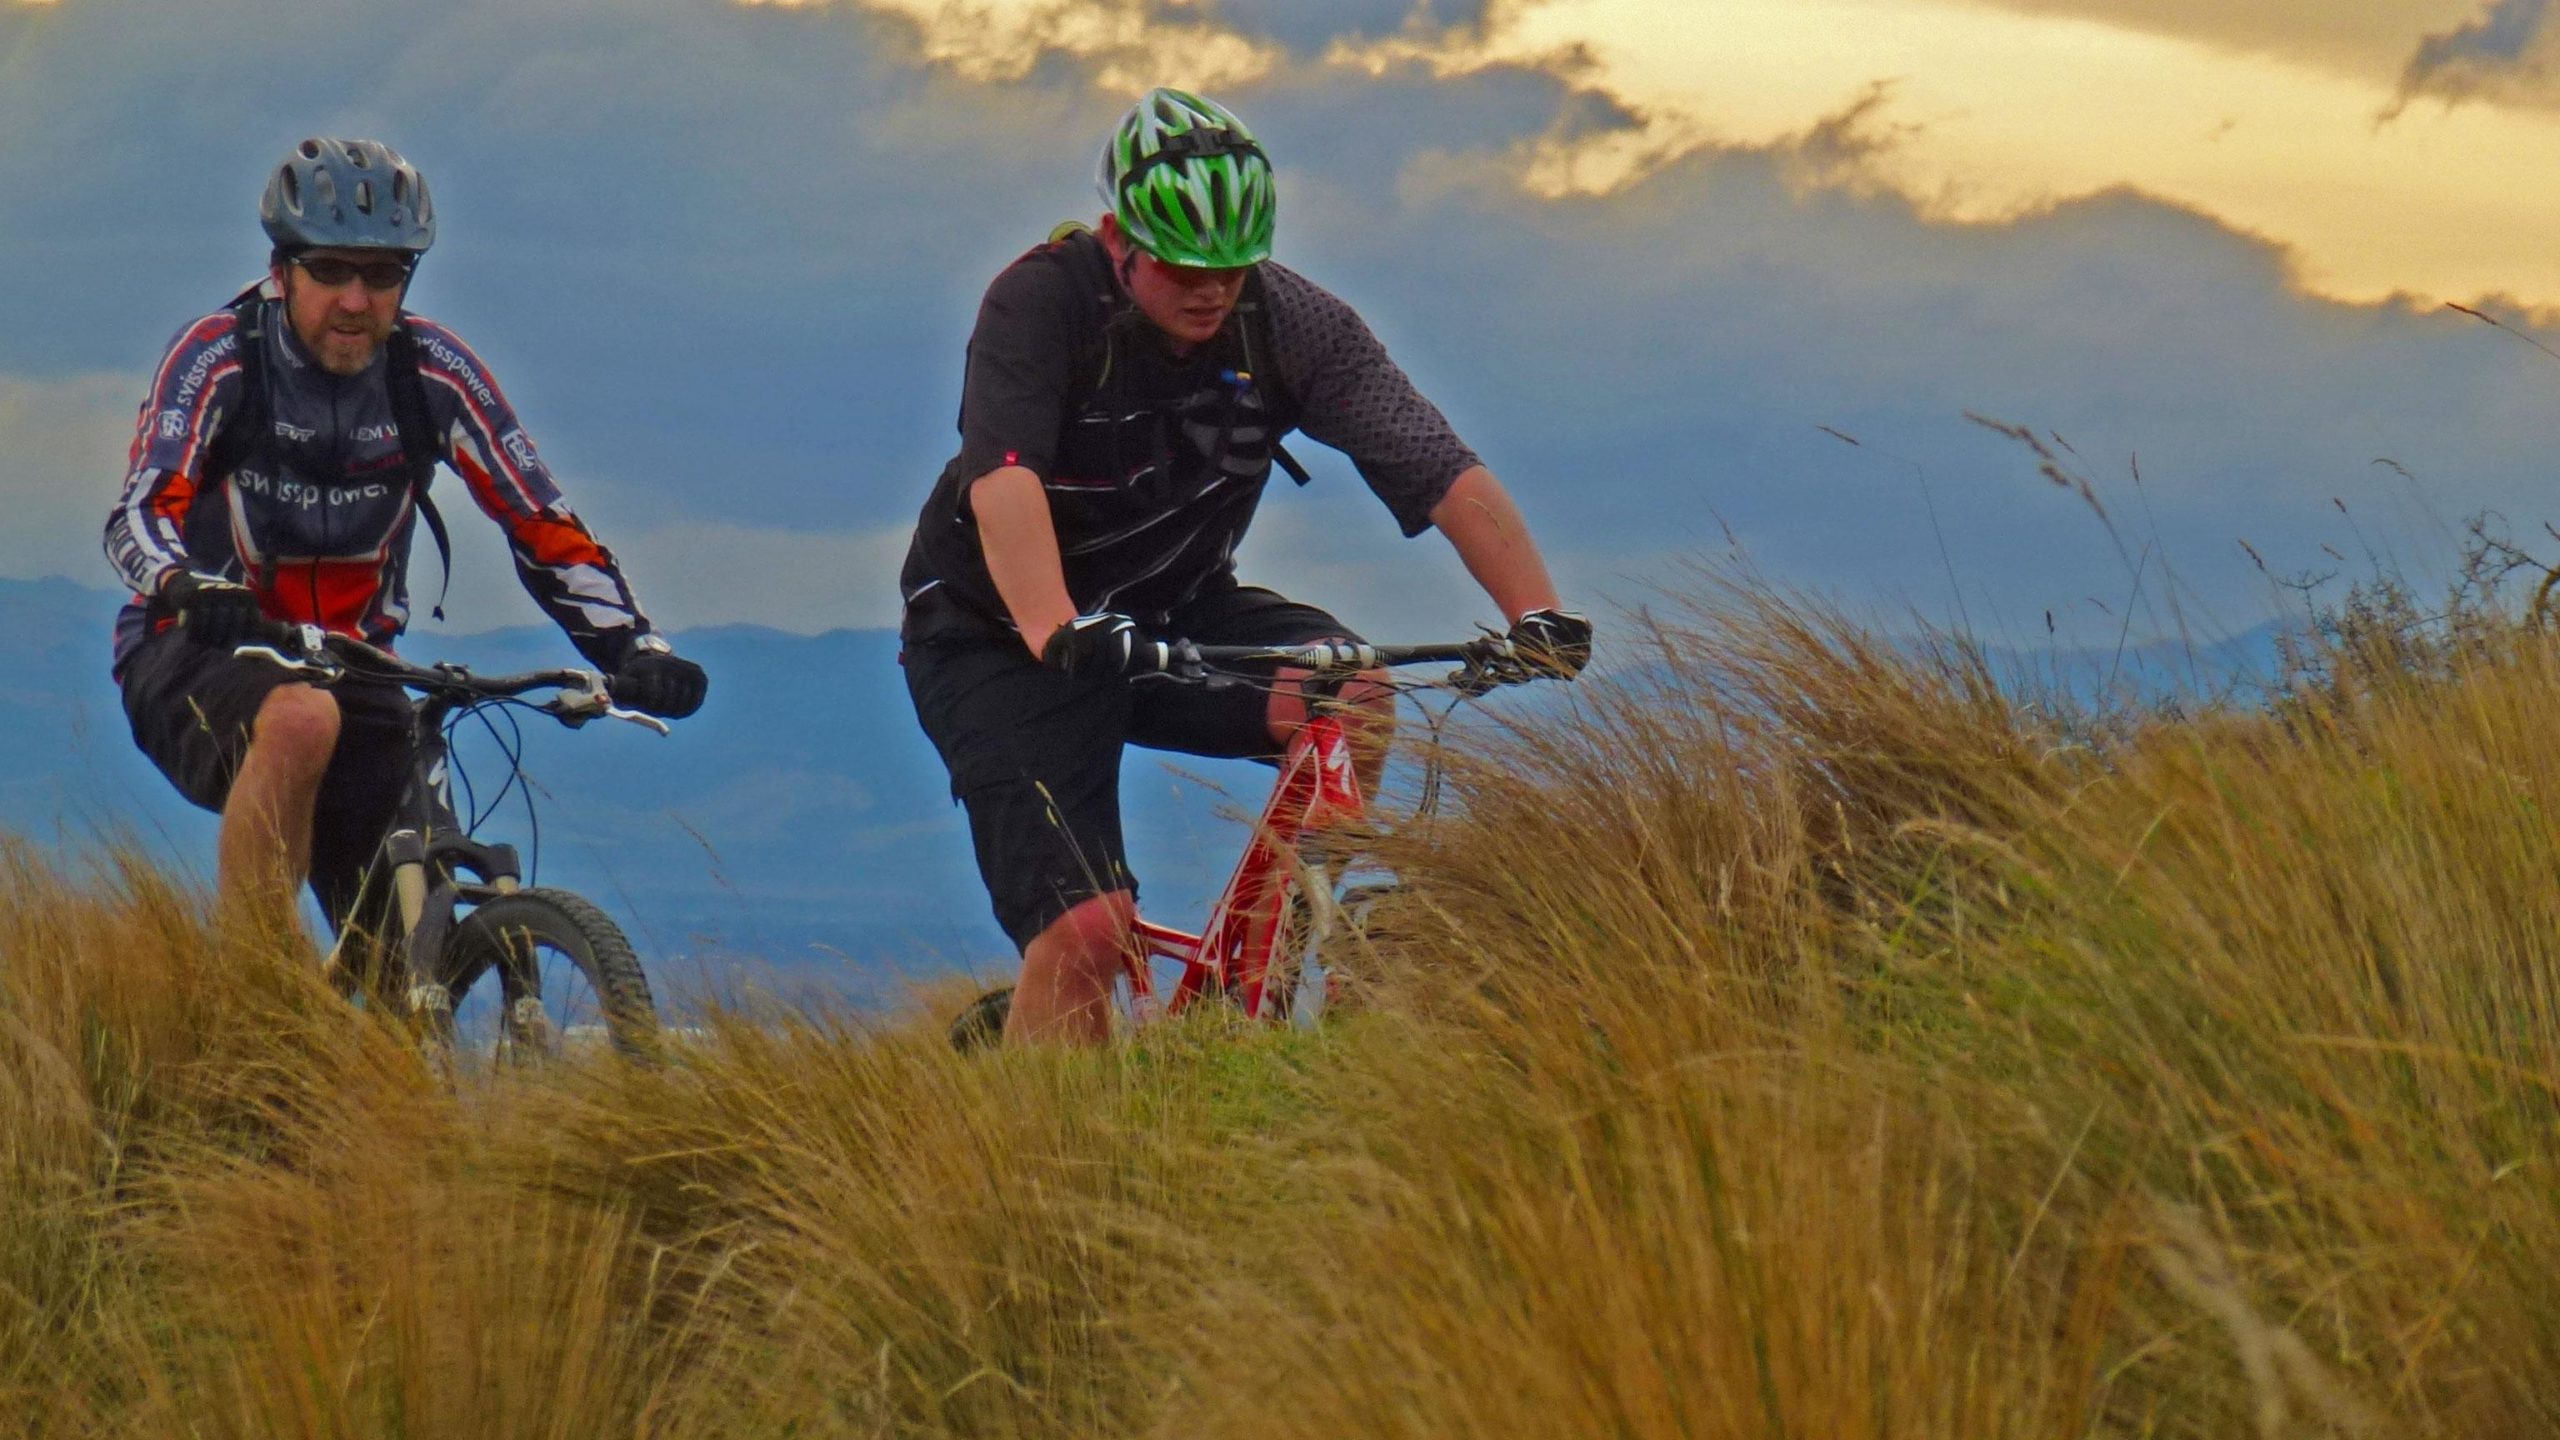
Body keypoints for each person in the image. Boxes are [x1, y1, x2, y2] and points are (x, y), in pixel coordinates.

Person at [899, 88, 1592, 1045]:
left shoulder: (1288, 321)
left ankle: (1249, 989)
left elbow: (1431, 460)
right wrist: (1057, 629)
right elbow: (1003, 482)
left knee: (1350, 697)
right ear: (1119, 240)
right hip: (998, 638)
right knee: (1092, 932)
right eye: (1184, 266)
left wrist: (1537, 615)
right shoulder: (1042, 302)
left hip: (1174, 612)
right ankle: (1024, 1155)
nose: (1211, 290)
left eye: (1232, 267)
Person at [104, 137, 707, 941]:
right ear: (282, 270)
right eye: (330, 271)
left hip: (358, 663)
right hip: (199, 648)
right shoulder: (218, 358)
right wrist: (187, 585)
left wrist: (634, 648)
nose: (356, 299)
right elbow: (139, 512)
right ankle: (249, 995)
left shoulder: (433, 373)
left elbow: (541, 522)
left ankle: (406, 1025)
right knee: (302, 719)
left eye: (382, 275)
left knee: (406, 945)